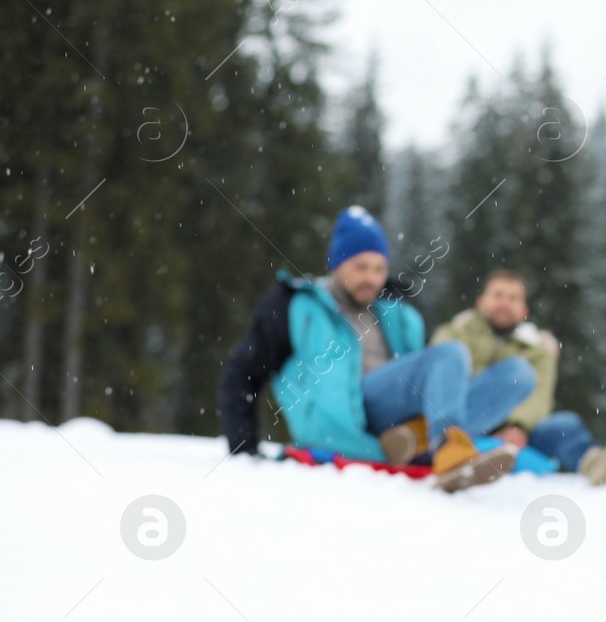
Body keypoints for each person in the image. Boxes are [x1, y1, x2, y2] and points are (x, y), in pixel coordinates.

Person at [219, 206, 536, 492]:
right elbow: (243, 373)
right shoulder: (297, 306)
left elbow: (429, 377)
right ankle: (447, 447)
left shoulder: (398, 313)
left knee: (519, 374)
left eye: (378, 268)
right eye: (360, 267)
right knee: (450, 352)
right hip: (346, 416)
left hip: (399, 414)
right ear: (337, 264)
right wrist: (244, 447)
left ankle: (421, 438)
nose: (371, 278)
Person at [427, 268, 606, 484]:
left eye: (513, 298)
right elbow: (442, 384)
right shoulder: (453, 335)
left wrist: (518, 426)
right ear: (481, 302)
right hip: (464, 421)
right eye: (498, 295)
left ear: (523, 310)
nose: (505, 303)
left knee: (565, 424)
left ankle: (595, 465)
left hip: (519, 431)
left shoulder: (538, 349)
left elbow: (540, 395)